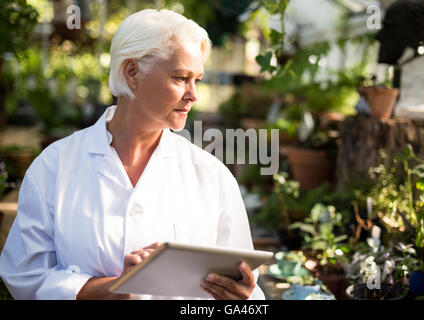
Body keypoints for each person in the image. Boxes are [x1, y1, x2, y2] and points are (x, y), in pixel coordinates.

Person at [0, 9, 265, 300]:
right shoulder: (54, 168)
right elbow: (24, 276)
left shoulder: (212, 177)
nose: (193, 95)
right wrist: (114, 289)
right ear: (132, 72)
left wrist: (241, 297)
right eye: (180, 78)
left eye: (197, 80)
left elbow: (250, 294)